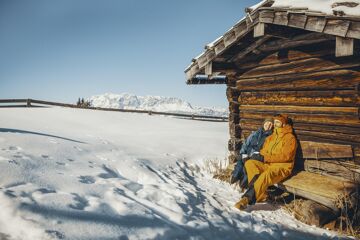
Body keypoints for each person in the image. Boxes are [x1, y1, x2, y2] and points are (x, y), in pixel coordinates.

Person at [234, 114, 297, 210]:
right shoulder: (271, 137)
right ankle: (262, 195)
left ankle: (247, 199)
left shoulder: (290, 138)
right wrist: (258, 156)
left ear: (284, 124)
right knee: (250, 163)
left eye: (277, 122)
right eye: (274, 122)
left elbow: (286, 156)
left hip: (282, 167)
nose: (275, 124)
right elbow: (264, 151)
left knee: (265, 175)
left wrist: (265, 158)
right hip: (268, 165)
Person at [230, 118, 273, 190]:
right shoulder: (255, 133)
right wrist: (242, 153)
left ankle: (242, 185)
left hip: (256, 157)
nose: (268, 125)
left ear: (272, 126)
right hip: (247, 154)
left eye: (270, 124)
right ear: (263, 123)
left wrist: (254, 156)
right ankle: (235, 177)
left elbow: (266, 151)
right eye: (267, 123)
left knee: (247, 167)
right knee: (240, 162)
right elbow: (246, 143)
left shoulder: (271, 137)